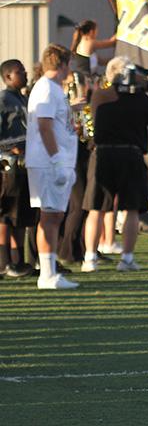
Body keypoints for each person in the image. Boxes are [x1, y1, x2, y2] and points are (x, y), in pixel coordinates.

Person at [81, 57, 148, 273]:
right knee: (131, 208)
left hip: (102, 154)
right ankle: (126, 258)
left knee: (96, 208)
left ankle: (90, 258)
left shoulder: (100, 95)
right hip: (130, 154)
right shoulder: (139, 98)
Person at [25, 44, 82, 289]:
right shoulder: (46, 88)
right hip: (48, 162)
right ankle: (47, 274)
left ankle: (49, 271)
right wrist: (57, 159)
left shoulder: (53, 89)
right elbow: (45, 126)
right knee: (50, 217)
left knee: (55, 216)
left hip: (56, 160)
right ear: (62, 64)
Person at [0, 59, 36, 278]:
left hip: (25, 165)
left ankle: (19, 261)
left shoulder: (23, 98)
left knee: (20, 216)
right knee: (4, 216)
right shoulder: (4, 100)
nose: (24, 73)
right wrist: (8, 148)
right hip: (8, 167)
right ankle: (4, 263)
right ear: (7, 77)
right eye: (18, 71)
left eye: (23, 70)